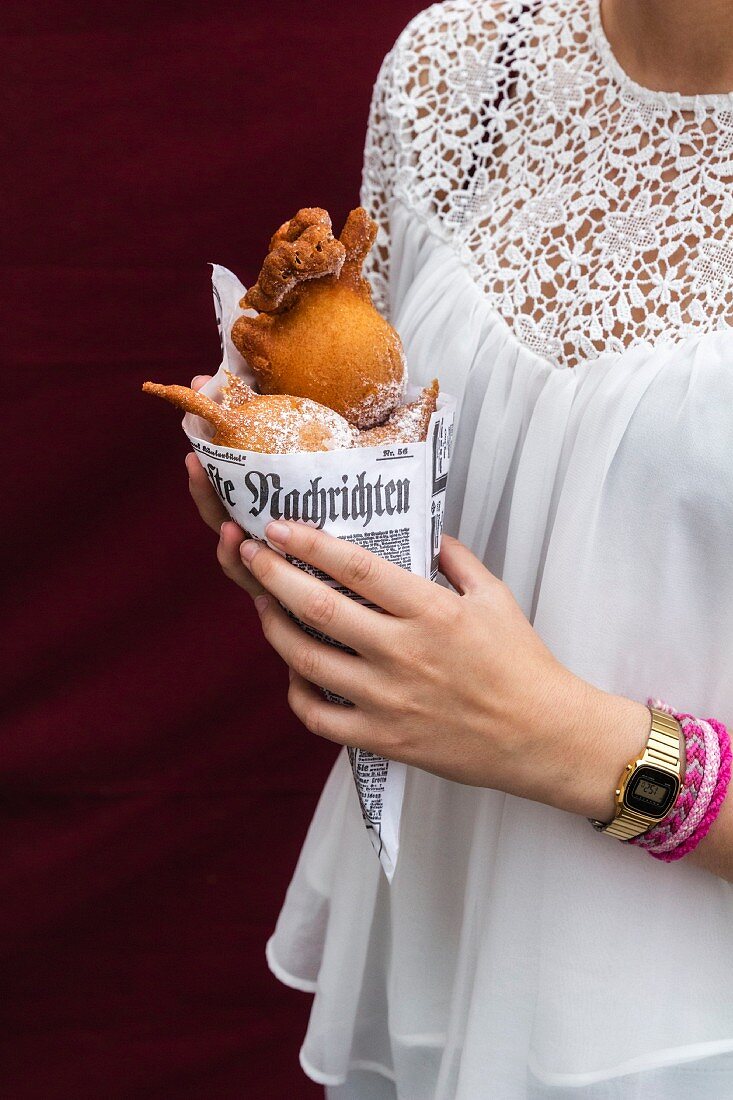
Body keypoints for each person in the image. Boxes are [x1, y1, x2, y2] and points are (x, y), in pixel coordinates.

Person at [185, 1, 733, 1095]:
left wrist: (575, 746)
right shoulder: (463, 67)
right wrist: (300, 515)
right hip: (444, 951)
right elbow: (395, 442)